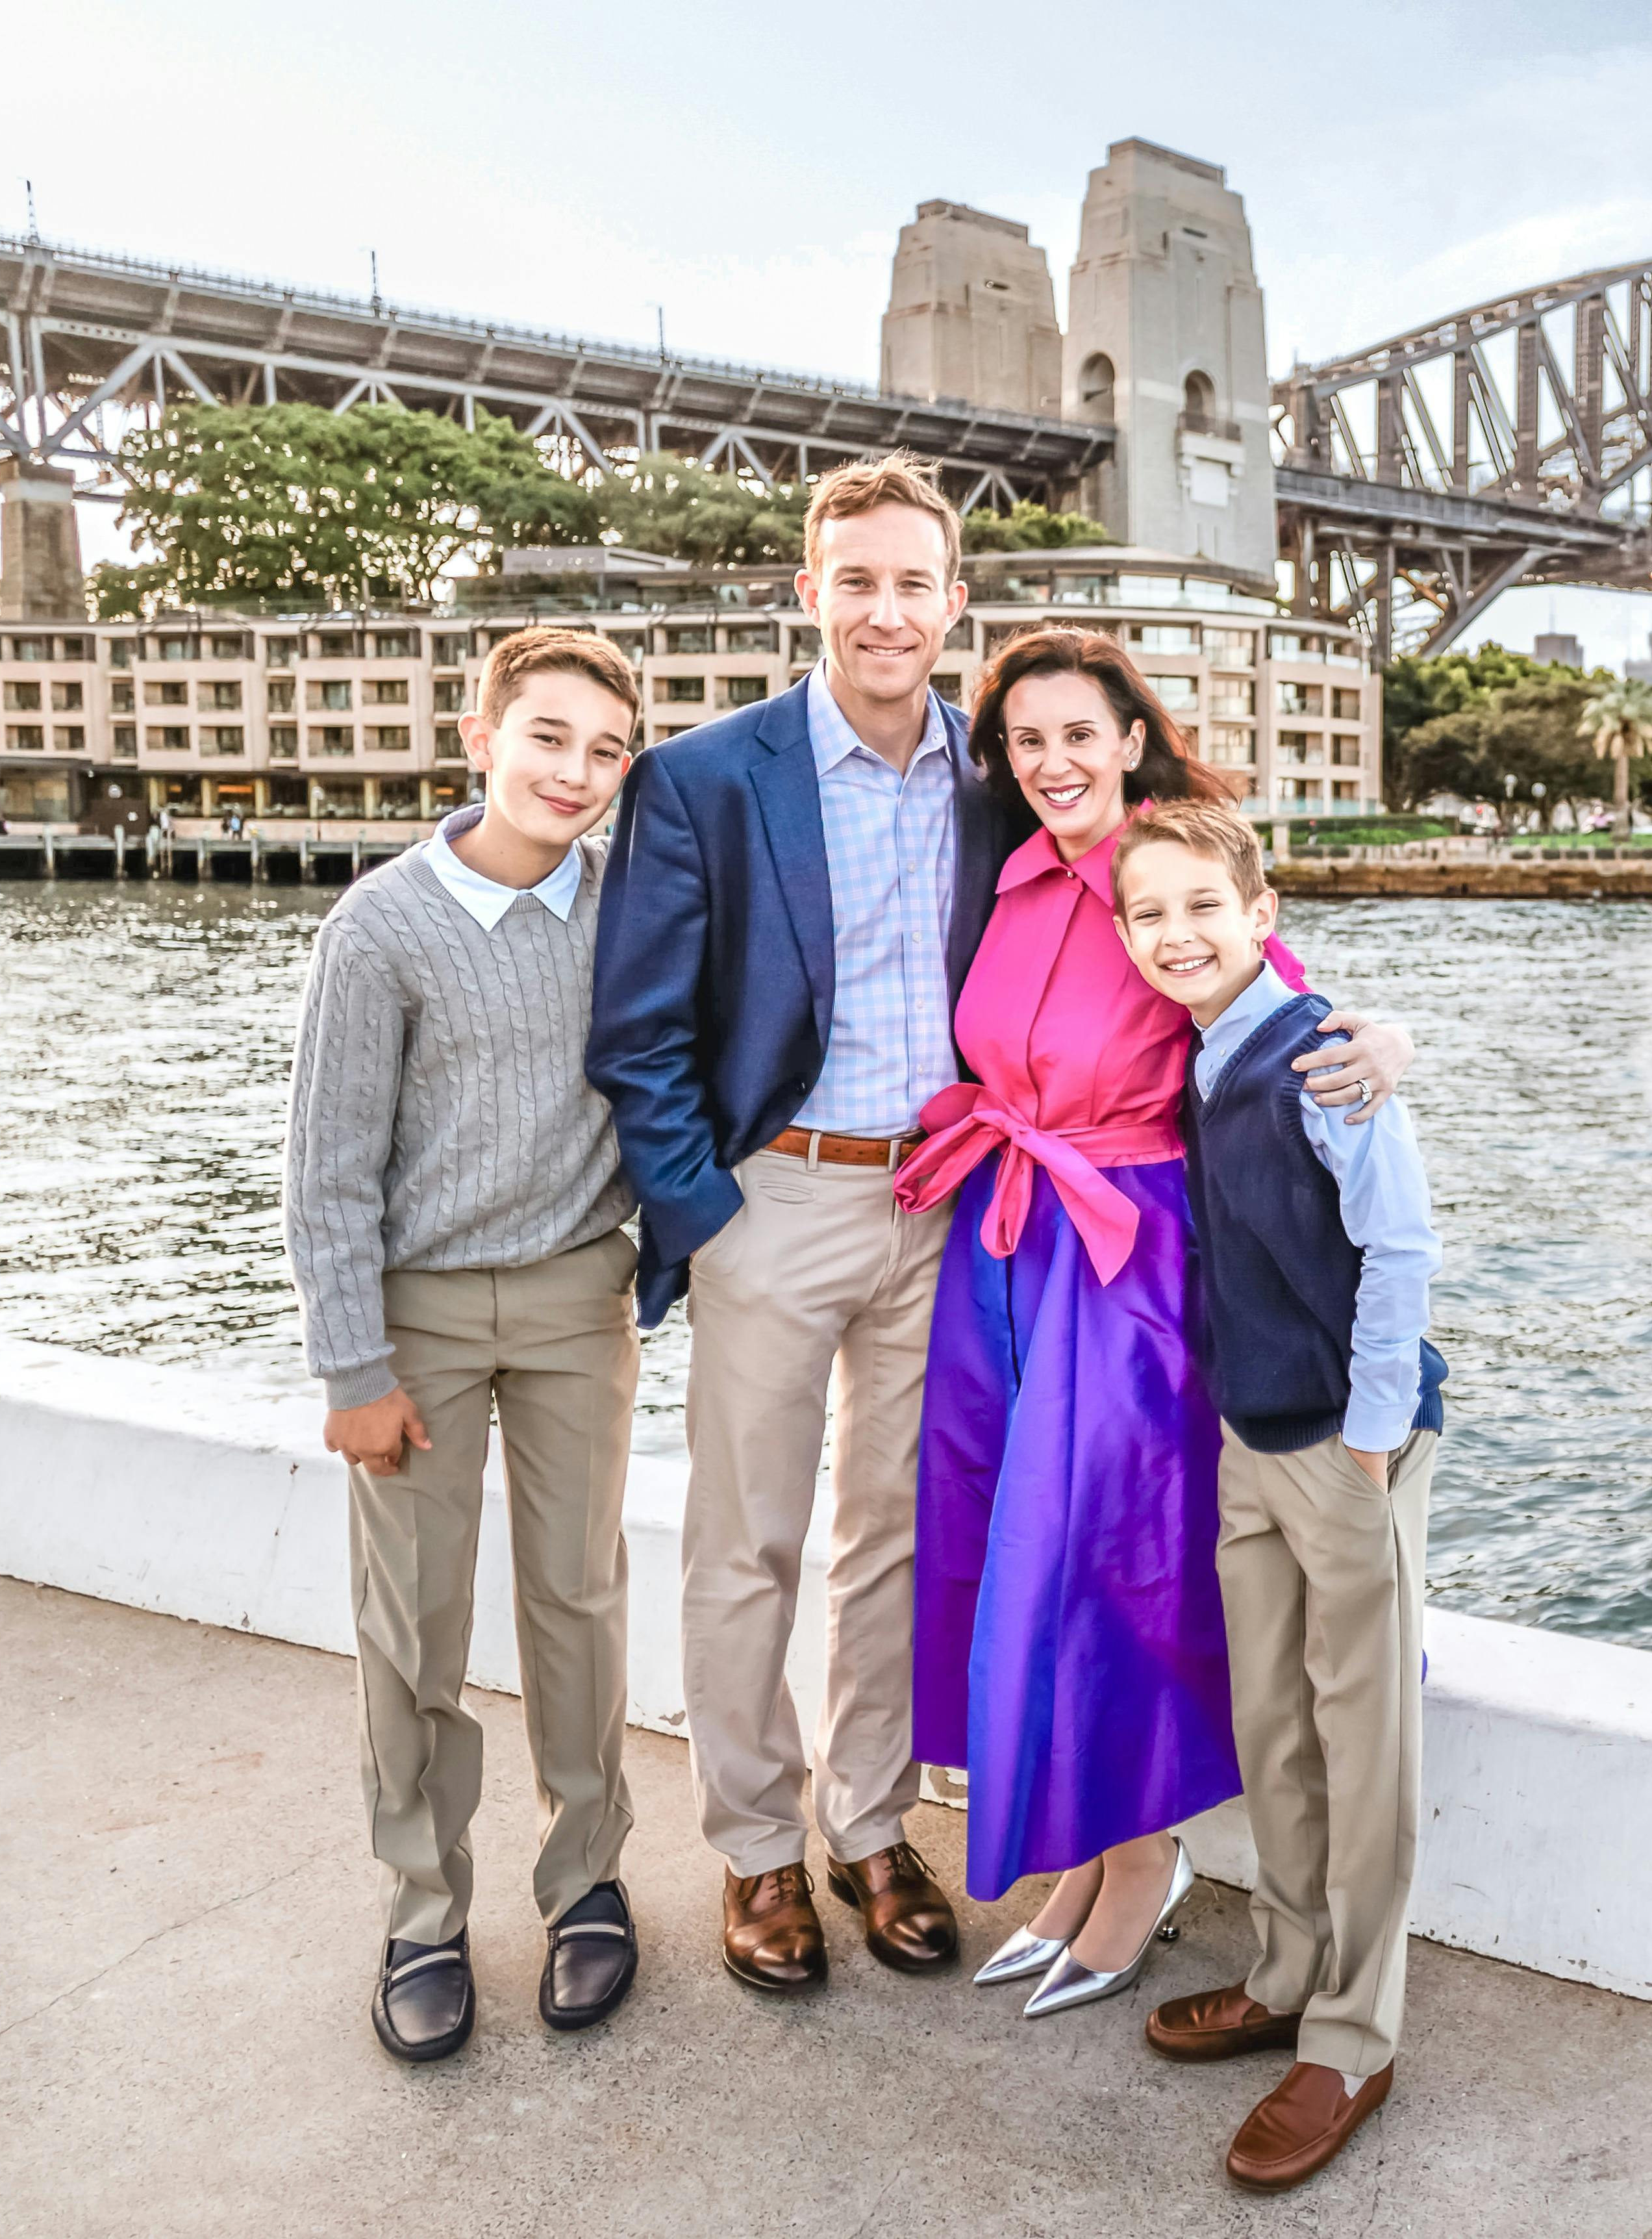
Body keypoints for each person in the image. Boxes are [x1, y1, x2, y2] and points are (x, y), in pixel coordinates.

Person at [586, 454, 1406, 1995]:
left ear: (951, 604)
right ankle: (758, 1853)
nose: (884, 610)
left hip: (954, 1209)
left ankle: (872, 1827)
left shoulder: (994, 796)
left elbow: (1208, 942)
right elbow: (636, 1031)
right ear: (808, 590)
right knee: (743, 1543)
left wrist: (1379, 1040)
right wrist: (708, 1212)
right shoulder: (708, 777)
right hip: (781, 1191)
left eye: (913, 583)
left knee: (898, 1539)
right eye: (856, 580)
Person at [894, 629, 1327, 2023]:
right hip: (1004, 1236)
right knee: (998, 1545)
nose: (1053, 762)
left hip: (1127, 1253)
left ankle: (1142, 1858)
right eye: (1026, 741)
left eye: (1079, 733)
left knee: (1106, 1561)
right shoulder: (1012, 877)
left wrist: (1378, 1043)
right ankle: (1076, 1853)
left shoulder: (1159, 871)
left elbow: (1277, 1007)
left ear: (1131, 737)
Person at [284, 625, 647, 2064]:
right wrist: (351, 1365)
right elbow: (327, 1168)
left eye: (605, 749)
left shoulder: (635, 907)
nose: (573, 770)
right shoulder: (381, 926)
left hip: (575, 1298)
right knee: (413, 1622)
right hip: (417, 1313)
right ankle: (424, 1907)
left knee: (577, 1596)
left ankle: (587, 1879)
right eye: (546, 736)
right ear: (479, 735)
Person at [1110, 799, 1446, 2192]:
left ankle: (1355, 2033)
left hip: (1343, 1445)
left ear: (1261, 912)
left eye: (1203, 903)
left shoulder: (1317, 1058)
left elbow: (1400, 1242)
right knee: (1275, 1718)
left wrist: (1367, 1441)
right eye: (1149, 913)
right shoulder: (1206, 1055)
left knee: (1363, 1744)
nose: (1177, 933)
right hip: (1252, 1437)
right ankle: (1288, 1967)